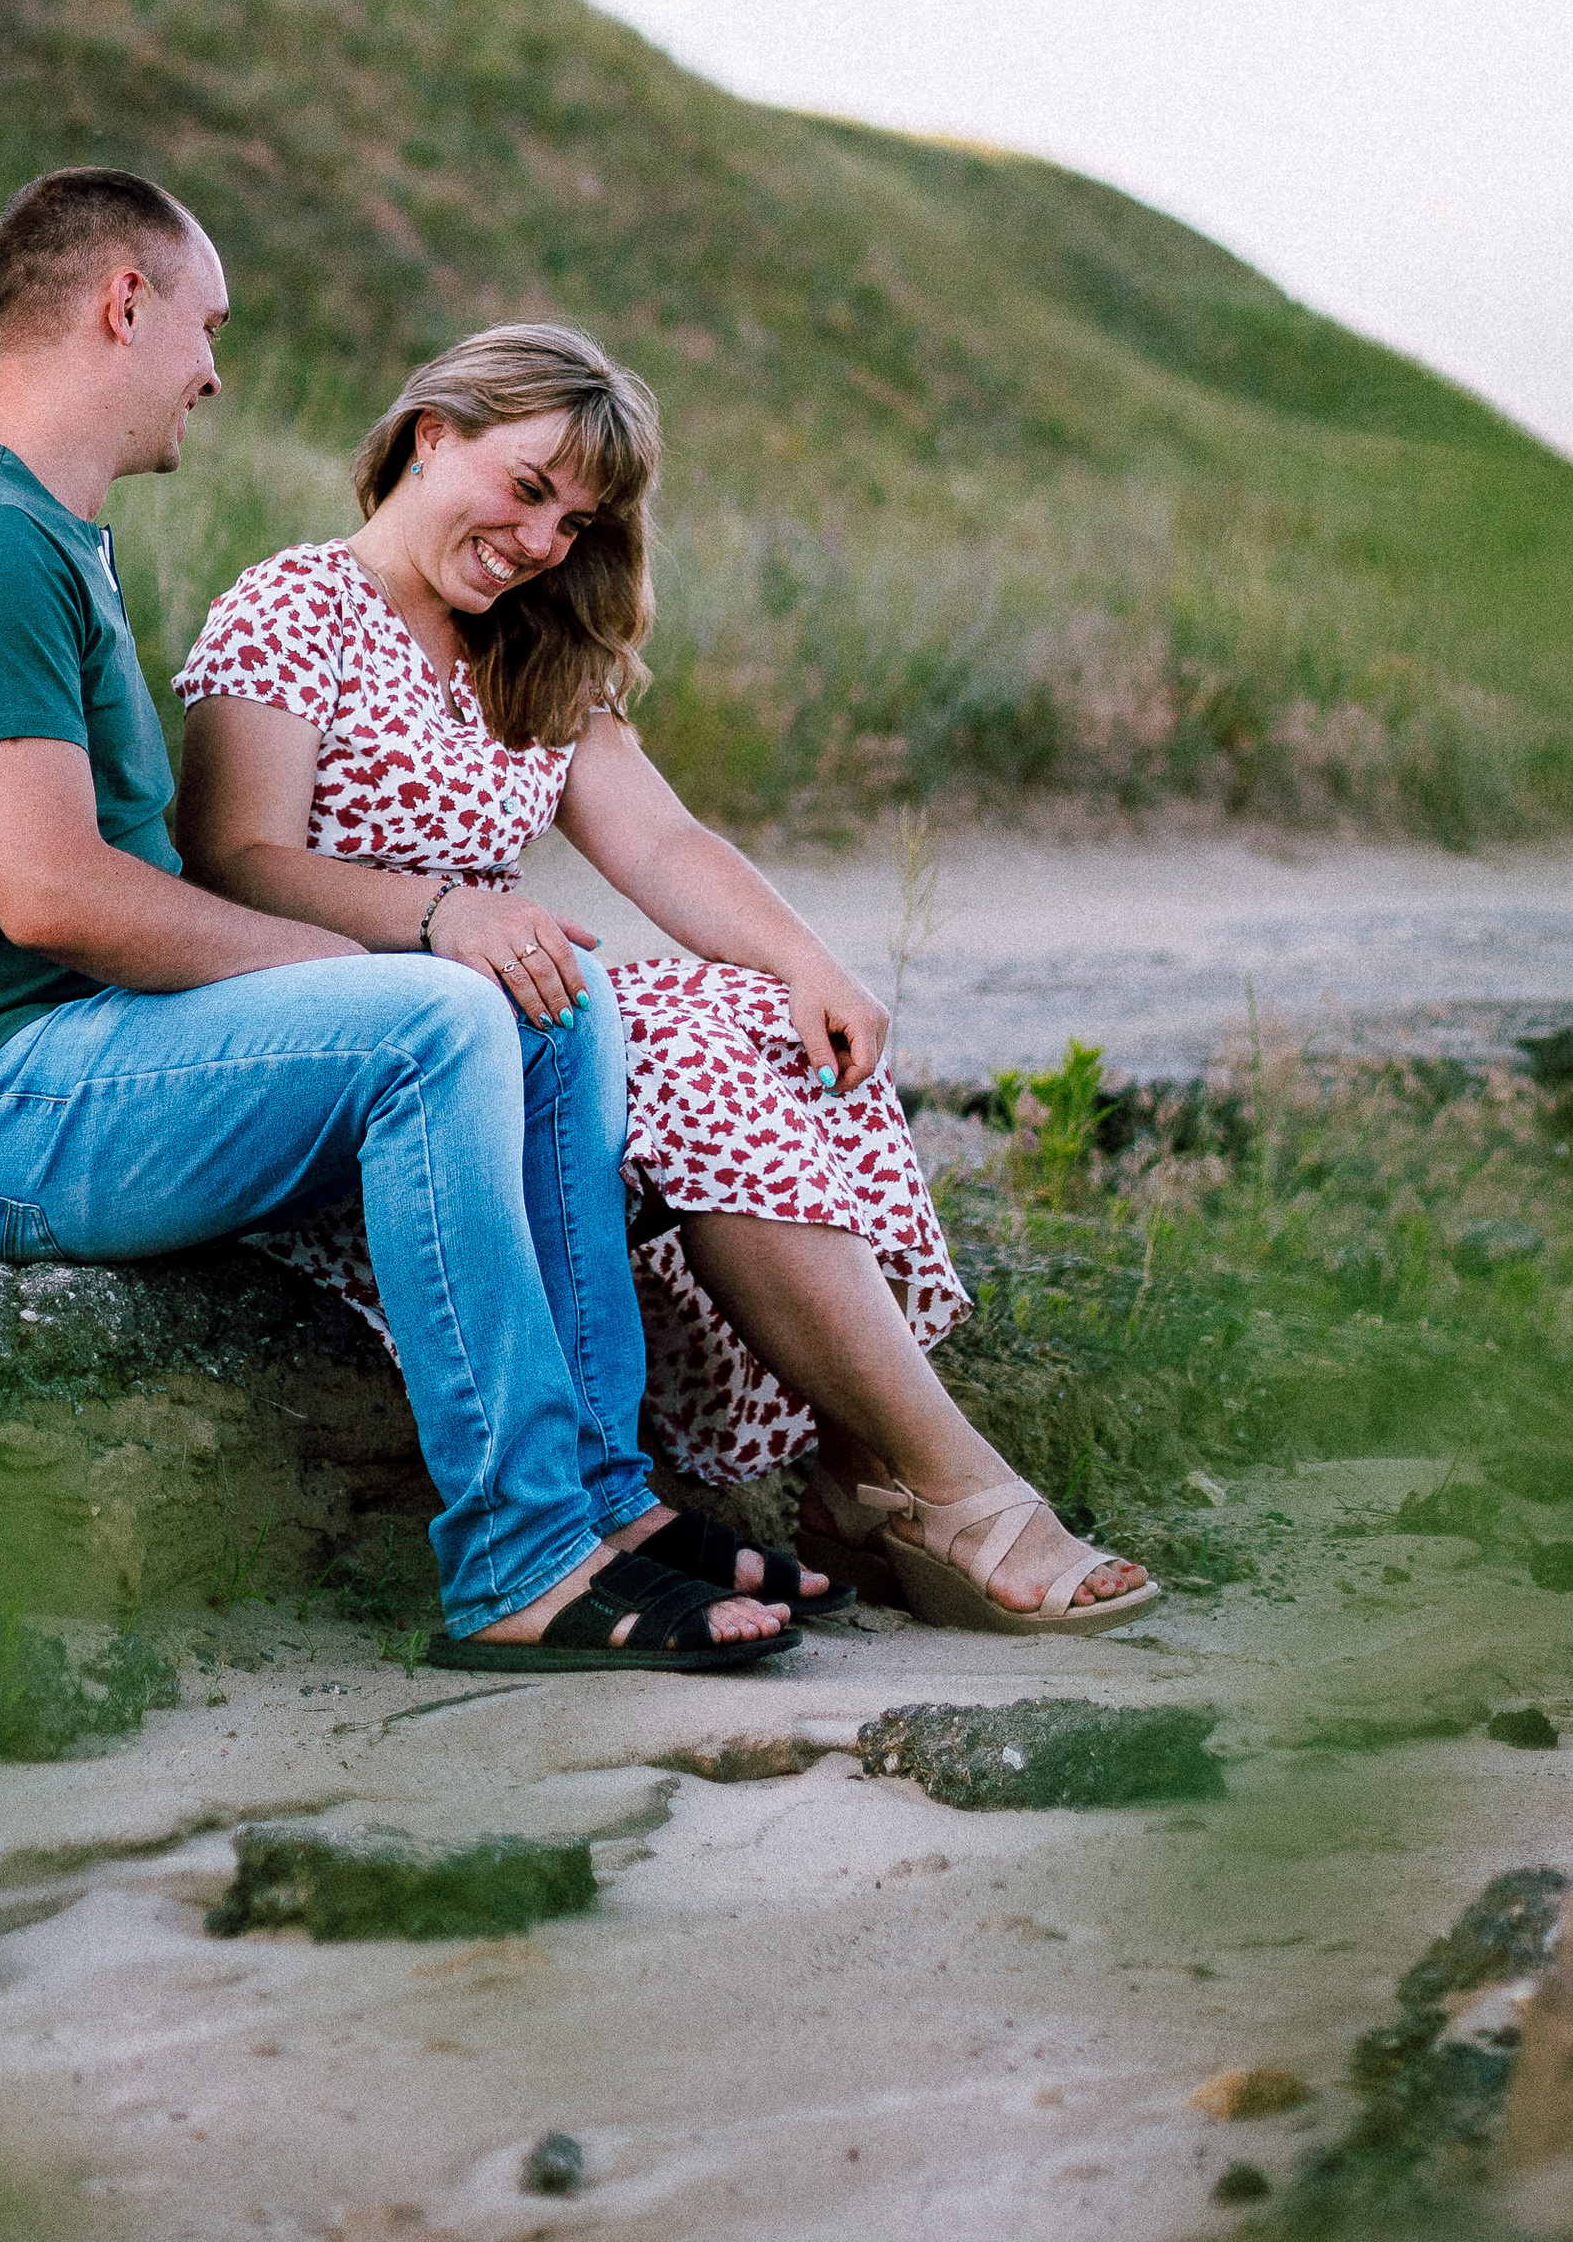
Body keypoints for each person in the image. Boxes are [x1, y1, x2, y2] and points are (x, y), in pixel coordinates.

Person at [0, 169, 787, 1674]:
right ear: (121, 306)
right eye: (206, 325)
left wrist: (436, 961)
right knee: (445, 1008)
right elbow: (53, 892)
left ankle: (602, 1503)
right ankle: (520, 1560)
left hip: (85, 1057)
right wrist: (385, 965)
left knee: (549, 999)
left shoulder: (54, 536)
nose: (213, 367)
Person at [174, 323, 1156, 1637]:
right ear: (433, 435)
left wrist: (809, 960)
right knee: (671, 1046)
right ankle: (953, 1487)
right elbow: (230, 860)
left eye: (575, 523)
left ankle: (861, 1472)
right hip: (370, 1074)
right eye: (529, 490)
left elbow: (662, 841)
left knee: (764, 1019)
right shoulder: (295, 607)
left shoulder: (526, 646)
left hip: (518, 1042)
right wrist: (441, 912)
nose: (540, 545)